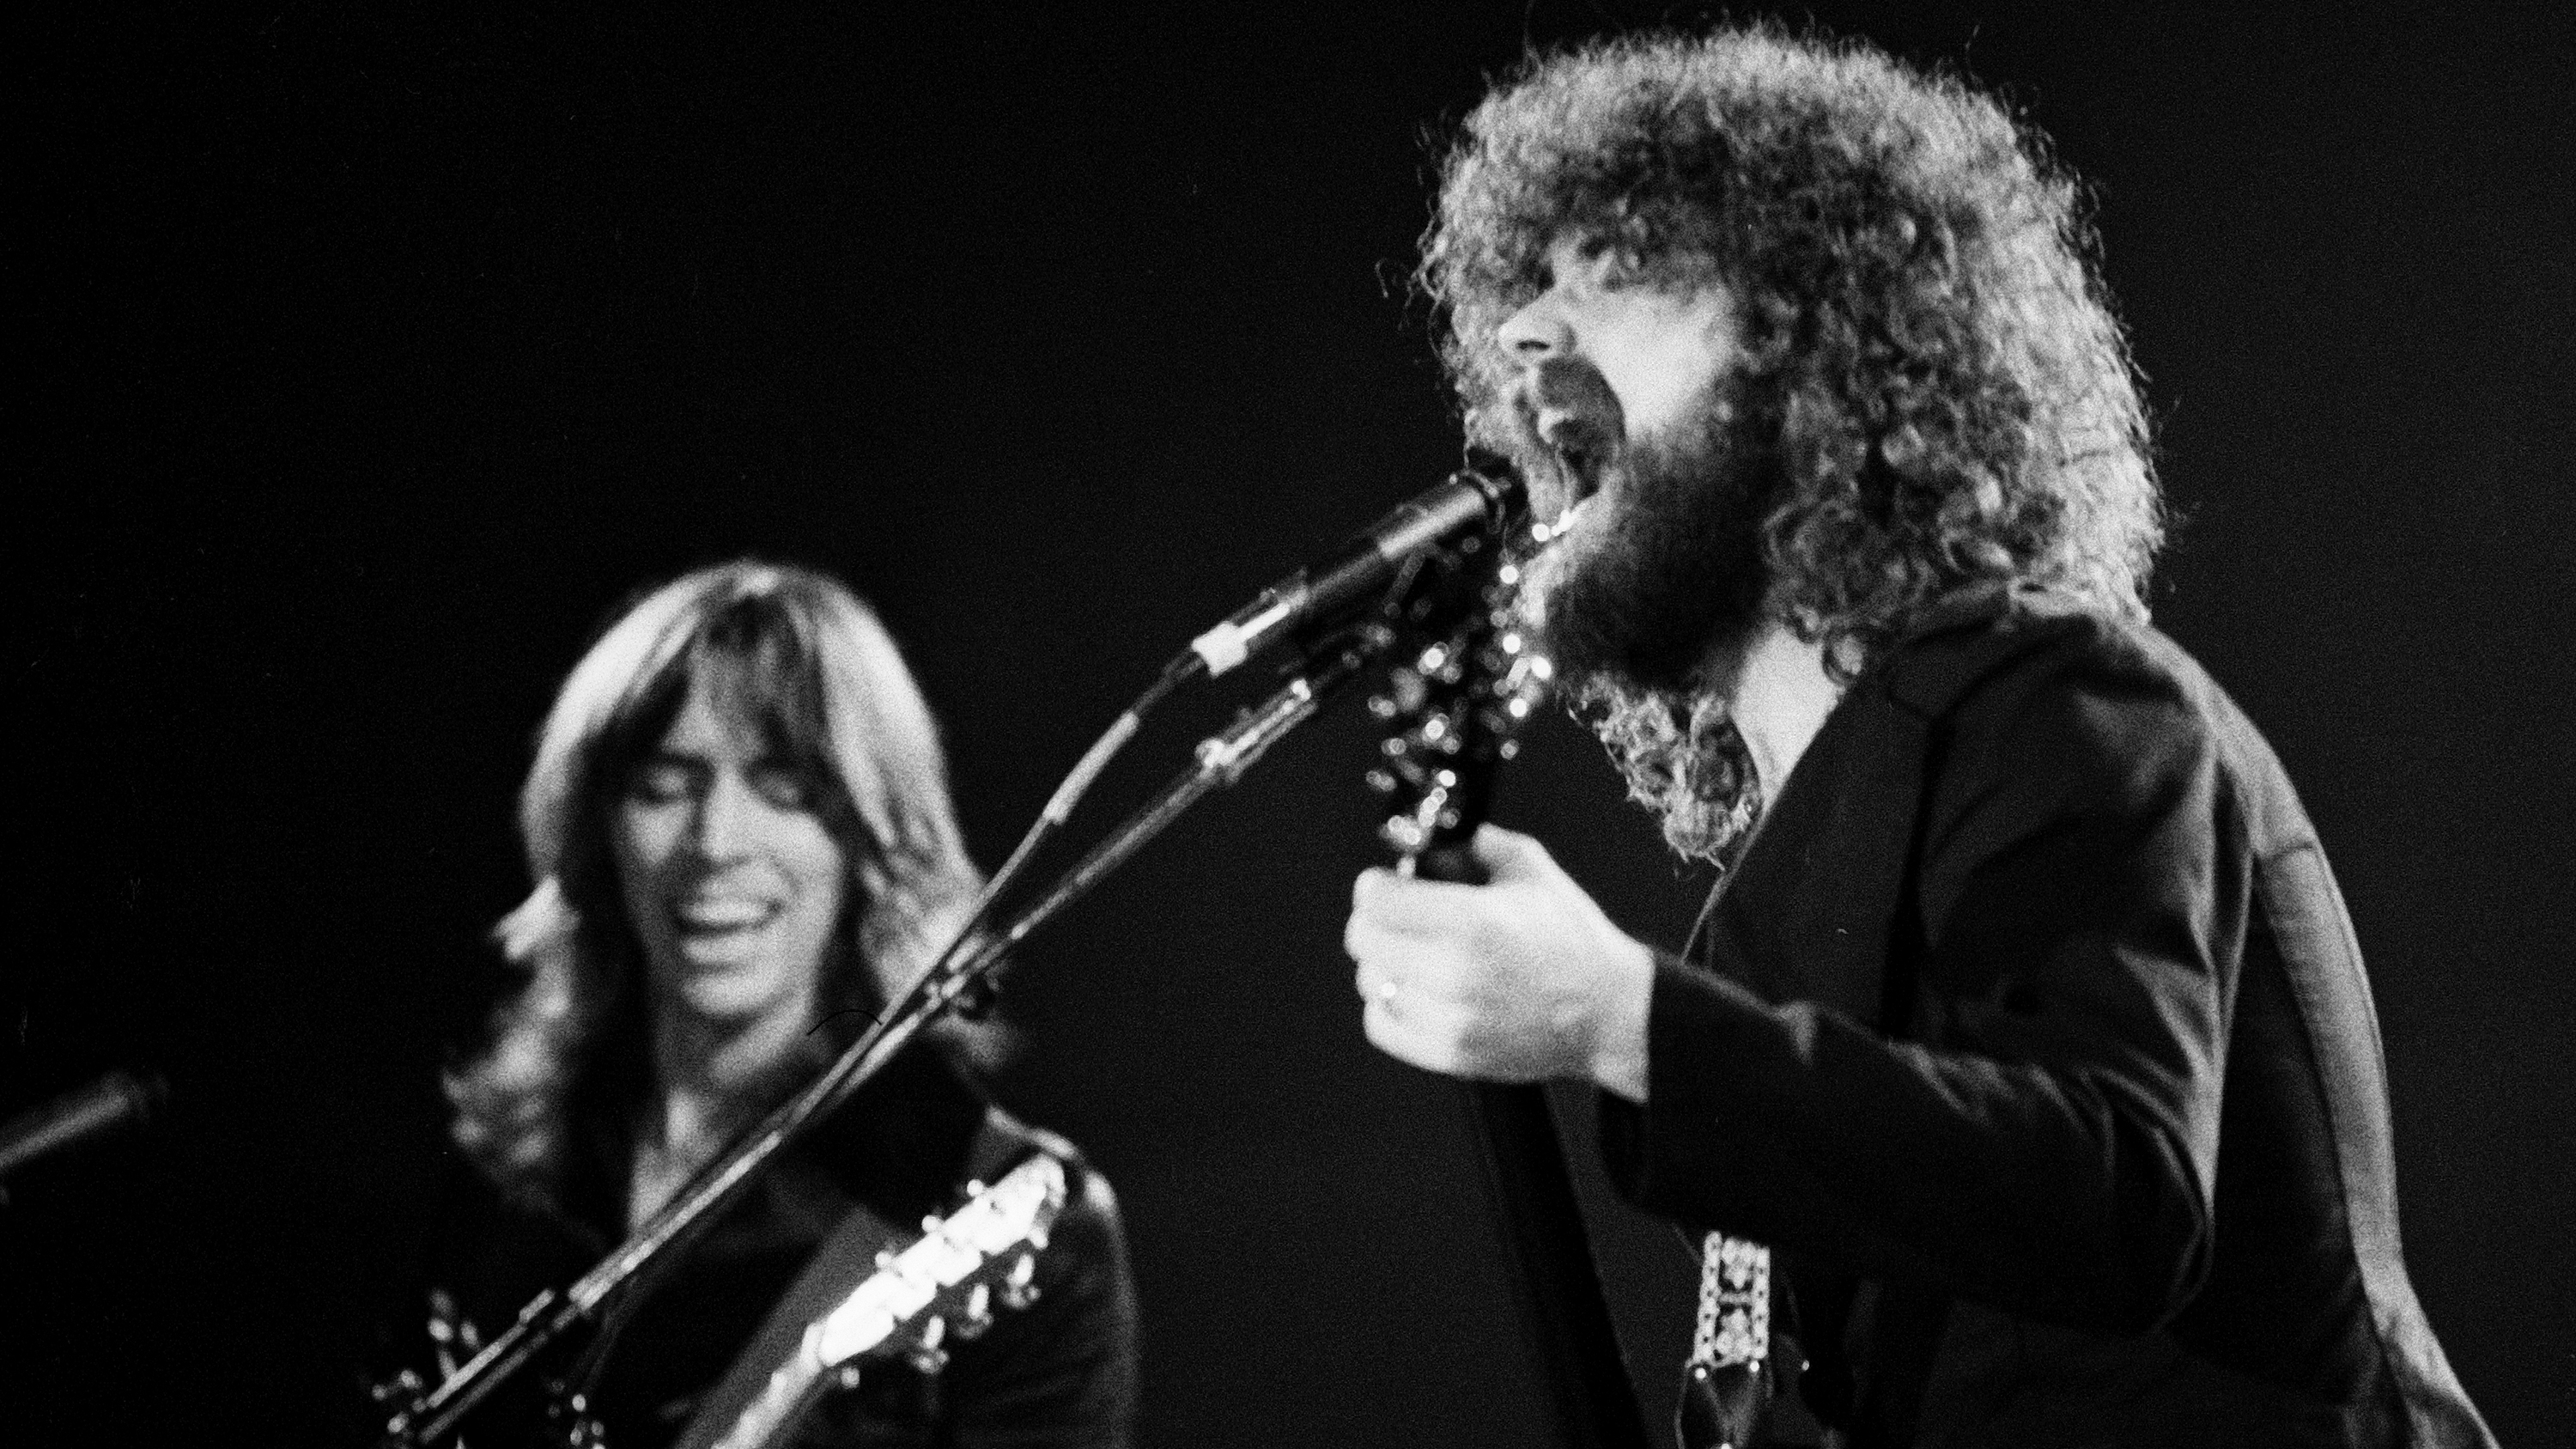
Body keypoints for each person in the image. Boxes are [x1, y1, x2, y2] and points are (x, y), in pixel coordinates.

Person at [1340, 26, 2493, 1449]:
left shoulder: (2065, 704)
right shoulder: (1760, 909)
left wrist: (1619, 1020)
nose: (1525, 330)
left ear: (1815, 354)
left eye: (1620, 273)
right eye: (1530, 283)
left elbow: (2121, 1198)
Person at [401, 561, 1138, 1447]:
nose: (715, 842)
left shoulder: (1012, 1211)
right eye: (664, 785)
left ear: (875, 832)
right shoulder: (501, 1168)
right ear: (596, 831)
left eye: (785, 785)